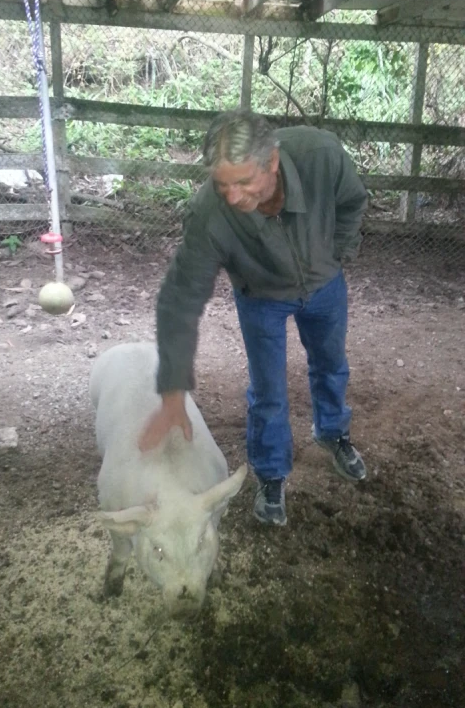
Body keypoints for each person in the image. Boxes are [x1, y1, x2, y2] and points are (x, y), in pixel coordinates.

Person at [139, 110, 368, 527]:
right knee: (268, 390)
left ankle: (332, 432)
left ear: (273, 163)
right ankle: (271, 472)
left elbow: (352, 201)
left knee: (332, 365)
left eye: (244, 182)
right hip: (260, 296)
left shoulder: (322, 155)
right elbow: (179, 298)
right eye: (222, 184)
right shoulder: (210, 212)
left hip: (325, 285)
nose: (232, 197)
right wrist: (172, 394)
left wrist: (336, 254)